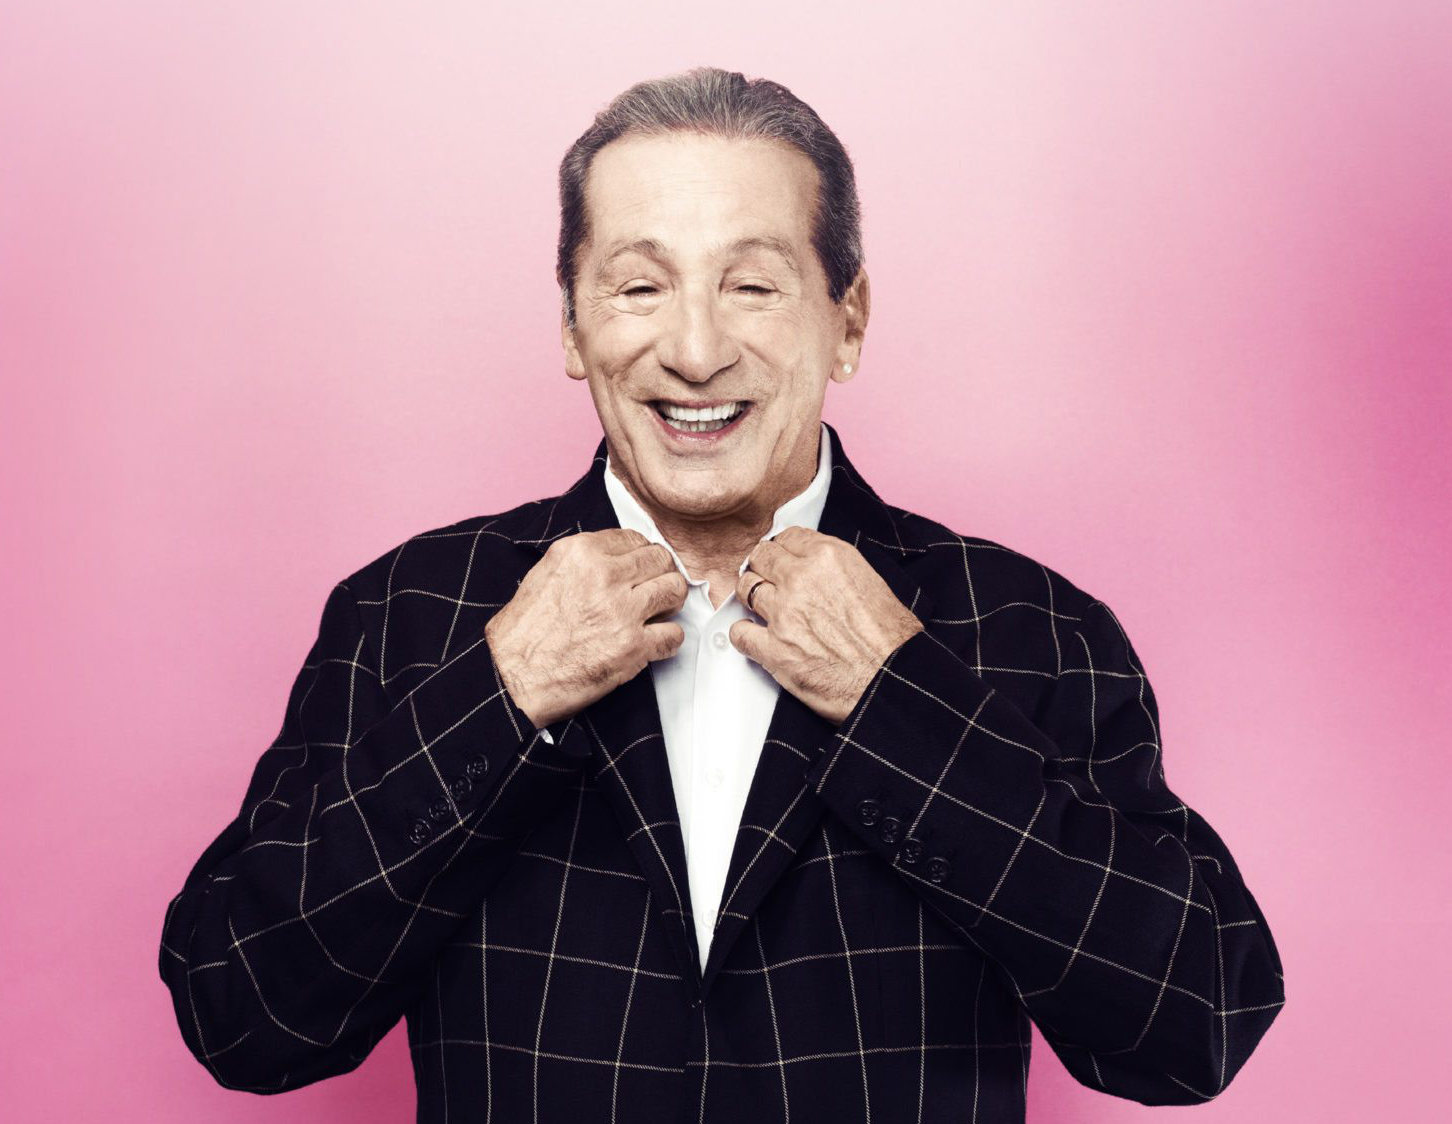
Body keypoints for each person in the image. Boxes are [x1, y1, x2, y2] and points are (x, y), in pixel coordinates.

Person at [158, 66, 1285, 1122]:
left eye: (751, 285)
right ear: (572, 324)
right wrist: (501, 698)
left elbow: (1193, 1025)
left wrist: (904, 707)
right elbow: (241, 1013)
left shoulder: (1033, 630)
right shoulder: (409, 614)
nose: (695, 350)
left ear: (847, 320)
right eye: (639, 286)